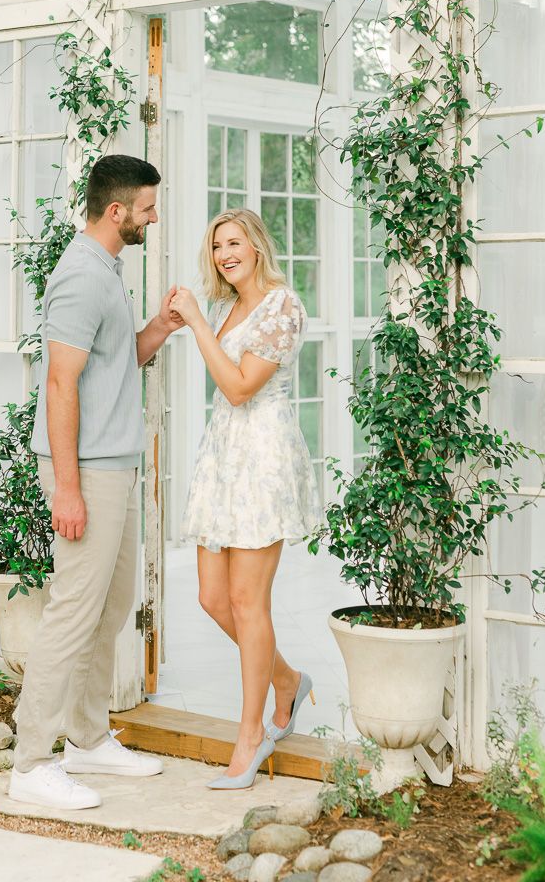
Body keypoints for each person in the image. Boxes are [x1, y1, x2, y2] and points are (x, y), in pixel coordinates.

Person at [9, 154, 180, 811]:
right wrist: (69, 488)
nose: (152, 216)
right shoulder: (81, 276)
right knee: (72, 612)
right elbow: (60, 384)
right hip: (88, 470)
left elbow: (112, 365)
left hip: (114, 462)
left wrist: (159, 330)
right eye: (146, 207)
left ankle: (86, 739)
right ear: (117, 212)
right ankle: (30, 763)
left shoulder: (108, 270)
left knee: (111, 606)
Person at [169, 208, 323, 790]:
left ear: (257, 246)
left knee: (247, 600)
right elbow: (221, 385)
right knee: (213, 598)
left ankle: (251, 733)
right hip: (224, 457)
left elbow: (237, 388)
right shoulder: (223, 307)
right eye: (216, 247)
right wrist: (188, 320)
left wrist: (199, 327)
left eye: (234, 242)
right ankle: (287, 681)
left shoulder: (282, 305)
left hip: (262, 458)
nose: (224, 253)